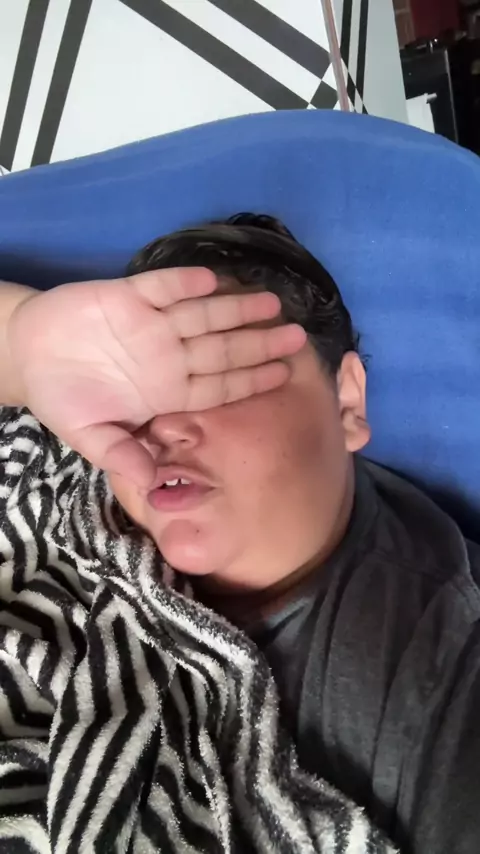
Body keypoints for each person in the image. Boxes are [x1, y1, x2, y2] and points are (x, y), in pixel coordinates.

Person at [0, 213, 478, 854]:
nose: (160, 427)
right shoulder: (62, 458)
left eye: (219, 381)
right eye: (138, 390)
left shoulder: (441, 668)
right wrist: (19, 345)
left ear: (346, 402)